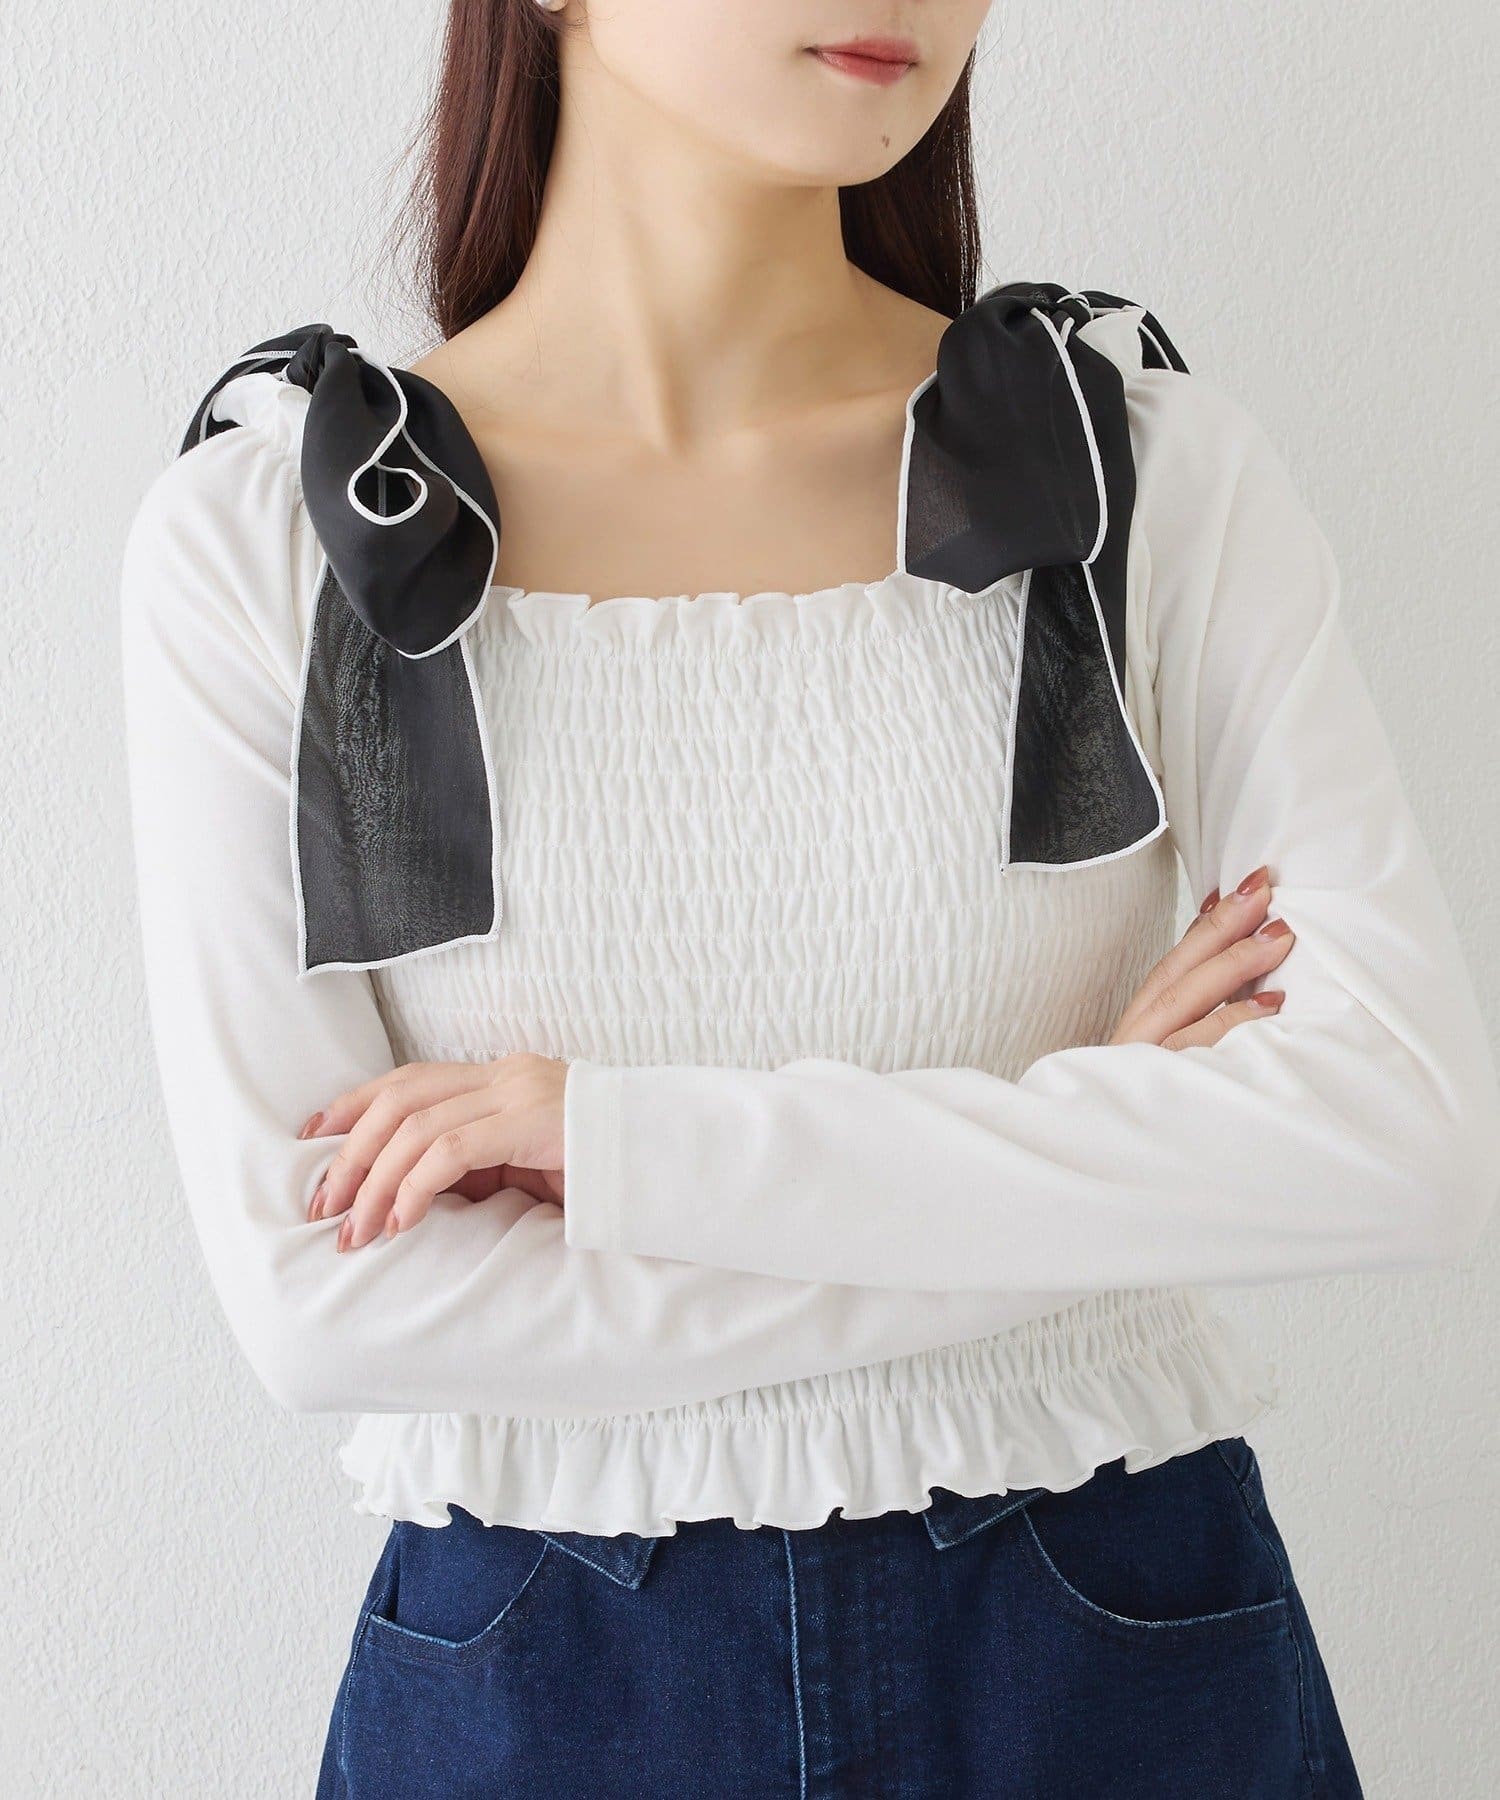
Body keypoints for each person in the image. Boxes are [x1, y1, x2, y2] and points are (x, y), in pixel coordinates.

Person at [118, 3, 1498, 1795]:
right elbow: (330, 1307)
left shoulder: (1144, 474)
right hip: (547, 1686)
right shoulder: (276, 536)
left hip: (1107, 1655)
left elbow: (1398, 1133)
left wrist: (623, 1152)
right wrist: (1081, 1148)